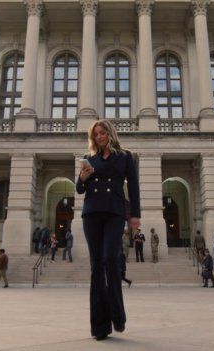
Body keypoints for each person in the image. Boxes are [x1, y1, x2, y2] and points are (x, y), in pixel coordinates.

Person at [76, 119, 141, 341]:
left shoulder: (125, 156)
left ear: (110, 134)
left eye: (102, 133)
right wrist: (82, 178)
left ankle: (117, 314)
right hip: (92, 213)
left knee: (111, 260)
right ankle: (99, 326)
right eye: (95, 134)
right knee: (96, 267)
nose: (99, 137)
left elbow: (133, 186)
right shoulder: (89, 158)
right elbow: (79, 189)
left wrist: (135, 215)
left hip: (114, 212)